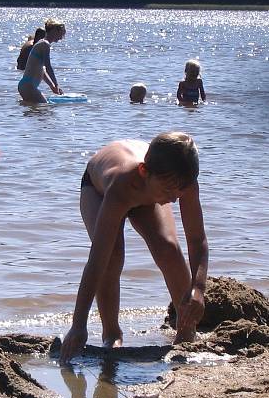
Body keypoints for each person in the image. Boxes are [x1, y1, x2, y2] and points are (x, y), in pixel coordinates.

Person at [59, 132, 208, 364]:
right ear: (144, 172)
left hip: (148, 186)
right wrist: (78, 325)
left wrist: (198, 288)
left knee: (168, 248)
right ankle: (111, 334)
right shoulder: (122, 185)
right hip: (99, 188)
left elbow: (197, 240)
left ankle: (186, 331)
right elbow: (97, 259)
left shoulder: (180, 179)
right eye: (169, 191)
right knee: (112, 256)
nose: (174, 199)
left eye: (179, 192)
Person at [18, 18, 66, 103]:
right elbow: (48, 66)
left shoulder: (42, 43)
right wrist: (57, 85)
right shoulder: (45, 44)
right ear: (54, 31)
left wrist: (53, 87)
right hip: (29, 86)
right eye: (61, 34)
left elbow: (43, 71)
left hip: (26, 86)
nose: (62, 38)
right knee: (44, 110)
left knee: (41, 110)